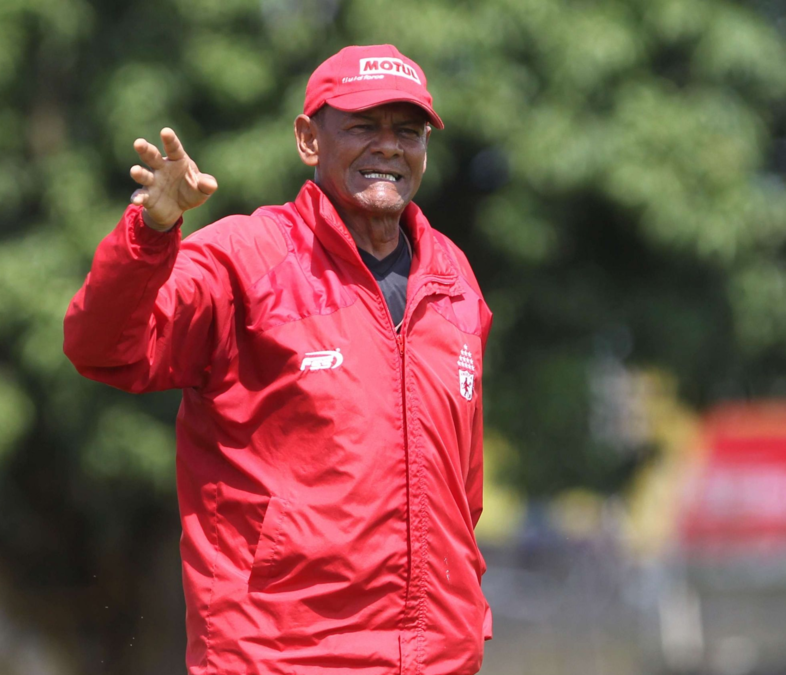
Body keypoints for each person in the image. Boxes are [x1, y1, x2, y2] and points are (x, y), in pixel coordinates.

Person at [63, 44, 493, 675]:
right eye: (363, 126)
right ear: (308, 140)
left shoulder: (454, 280)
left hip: (437, 661)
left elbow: (462, 488)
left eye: (408, 131)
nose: (389, 147)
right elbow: (103, 347)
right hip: (281, 657)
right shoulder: (245, 258)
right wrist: (152, 230)